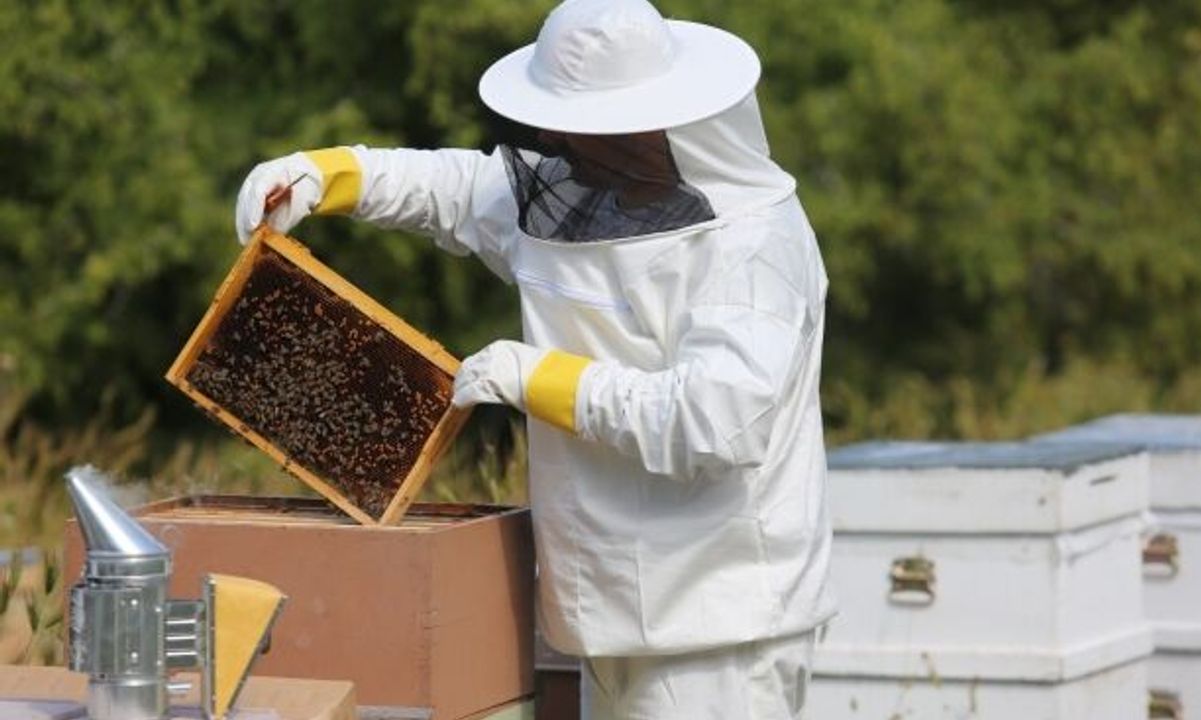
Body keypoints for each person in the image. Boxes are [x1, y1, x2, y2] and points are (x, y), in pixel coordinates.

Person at [234, 0, 835, 716]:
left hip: (721, 628)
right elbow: (455, 188)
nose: (554, 141)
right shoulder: (575, 197)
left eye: (578, 127)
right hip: (610, 614)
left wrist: (541, 378)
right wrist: (328, 174)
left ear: (642, 126)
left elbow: (716, 422)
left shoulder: (752, 248)